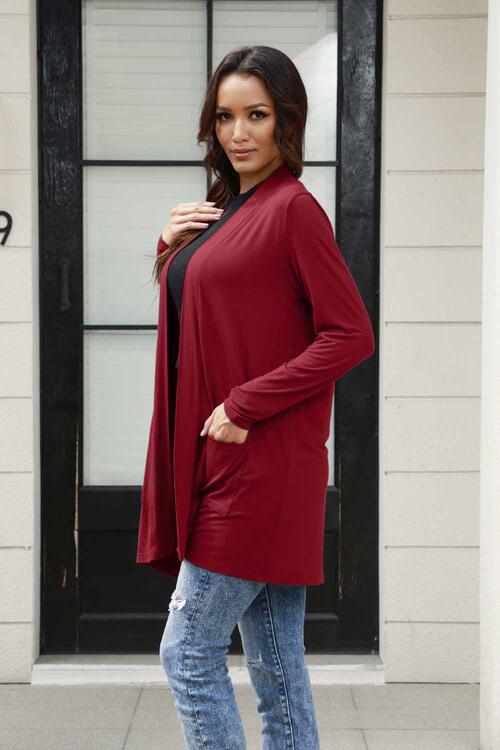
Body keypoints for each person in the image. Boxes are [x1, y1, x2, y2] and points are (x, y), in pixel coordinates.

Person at [137, 44, 375, 749]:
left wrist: (246, 403)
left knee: (186, 652)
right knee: (277, 667)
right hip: (229, 462)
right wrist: (167, 249)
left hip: (260, 470)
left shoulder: (294, 211)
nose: (238, 133)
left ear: (286, 122)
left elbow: (350, 335)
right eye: (225, 117)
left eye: (257, 115)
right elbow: (210, 315)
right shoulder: (225, 209)